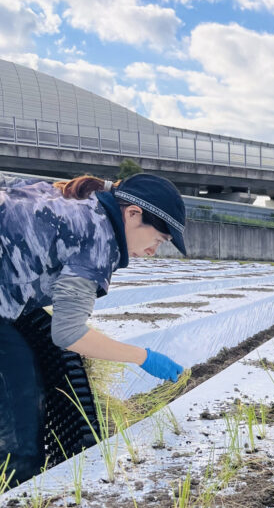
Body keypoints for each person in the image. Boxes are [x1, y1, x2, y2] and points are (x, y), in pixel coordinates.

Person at [0, 172, 187, 485]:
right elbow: (69, 334)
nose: (154, 251)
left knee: (20, 360)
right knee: (21, 405)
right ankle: (18, 496)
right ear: (132, 214)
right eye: (158, 239)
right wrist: (143, 356)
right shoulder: (100, 238)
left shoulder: (79, 199)